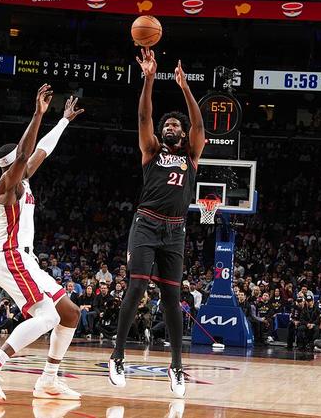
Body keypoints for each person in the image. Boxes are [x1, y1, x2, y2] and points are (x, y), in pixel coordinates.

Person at [0, 85, 84, 402]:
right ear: (11, 168)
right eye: (20, 163)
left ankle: (48, 381)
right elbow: (23, 155)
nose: (27, 163)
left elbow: (42, 150)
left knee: (69, 313)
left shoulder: (24, 177)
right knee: (47, 317)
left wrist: (63, 121)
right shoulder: (6, 187)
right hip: (10, 257)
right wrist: (37, 114)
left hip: (26, 260)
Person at [109, 48, 205, 398]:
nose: (169, 127)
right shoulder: (151, 150)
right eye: (167, 125)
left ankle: (176, 365)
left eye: (175, 125)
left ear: (183, 133)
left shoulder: (191, 155)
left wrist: (185, 87)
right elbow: (143, 116)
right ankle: (118, 355)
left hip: (176, 230)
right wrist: (149, 79)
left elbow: (199, 125)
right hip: (147, 223)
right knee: (136, 287)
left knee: (171, 297)